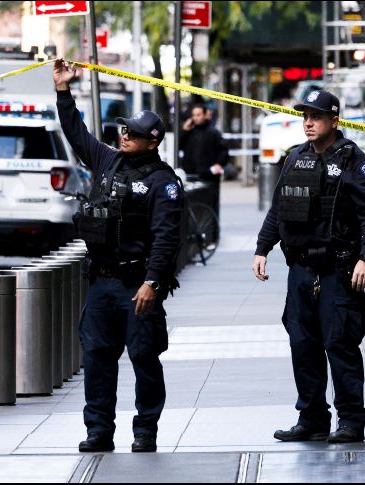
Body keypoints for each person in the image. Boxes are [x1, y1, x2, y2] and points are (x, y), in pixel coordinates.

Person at [53, 59, 184, 454]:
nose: (125, 135)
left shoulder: (164, 183)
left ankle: (145, 430)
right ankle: (99, 431)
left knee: (144, 359)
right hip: (102, 282)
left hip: (138, 285)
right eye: (125, 129)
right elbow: (77, 133)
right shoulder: (108, 161)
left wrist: (153, 283)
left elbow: (167, 239)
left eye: (135, 133)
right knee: (96, 358)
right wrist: (63, 91)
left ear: (153, 141)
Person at [251, 90, 365, 444]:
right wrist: (262, 248)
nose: (308, 123)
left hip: (339, 269)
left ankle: (351, 421)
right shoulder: (296, 158)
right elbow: (279, 208)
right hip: (301, 269)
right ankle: (311, 418)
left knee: (339, 344)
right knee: (303, 344)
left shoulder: (355, 161)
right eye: (305, 116)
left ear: (334, 121)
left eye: (317, 117)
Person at [179, 104, 228, 216]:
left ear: (205, 115)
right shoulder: (189, 132)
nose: (196, 118)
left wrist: (219, 164)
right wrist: (184, 131)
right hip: (191, 176)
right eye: (194, 115)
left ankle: (212, 233)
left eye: (198, 115)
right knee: (191, 209)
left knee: (210, 208)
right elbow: (179, 145)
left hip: (209, 177)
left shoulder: (214, 132)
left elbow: (223, 151)